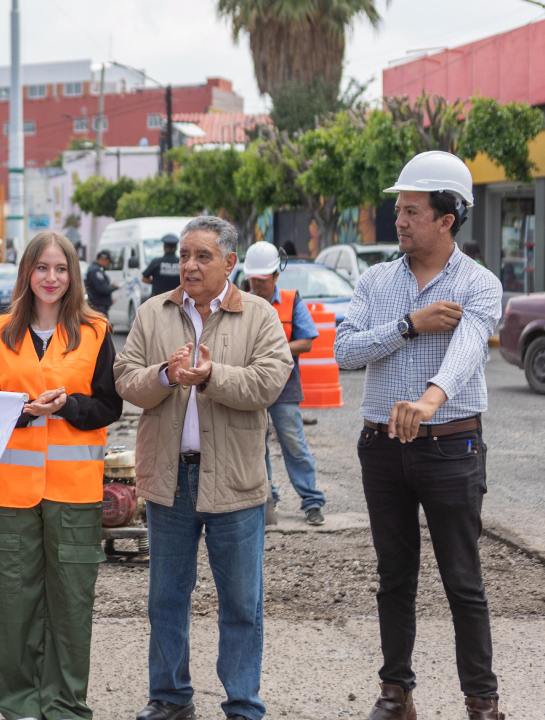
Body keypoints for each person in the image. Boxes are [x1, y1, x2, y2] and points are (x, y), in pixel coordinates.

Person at [334, 152, 505, 720]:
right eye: (398, 209)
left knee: (463, 579)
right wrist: (410, 325)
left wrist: (429, 399)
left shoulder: (480, 283)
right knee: (394, 576)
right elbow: (344, 351)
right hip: (382, 449)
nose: (399, 221)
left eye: (410, 211)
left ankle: (482, 702)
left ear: (446, 218)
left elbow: (468, 347)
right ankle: (395, 693)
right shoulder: (376, 280)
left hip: (451, 446)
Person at [114, 216, 292, 720]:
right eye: (185, 256)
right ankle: (170, 698)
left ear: (230, 263)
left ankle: (242, 704)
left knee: (240, 603)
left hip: (234, 481)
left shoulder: (258, 315)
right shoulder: (153, 312)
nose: (188, 265)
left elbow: (269, 381)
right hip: (170, 480)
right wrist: (165, 374)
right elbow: (126, 379)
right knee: (166, 598)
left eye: (202, 257)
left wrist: (212, 373)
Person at [0, 232, 122, 720]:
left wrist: (70, 406)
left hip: (75, 491)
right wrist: (23, 410)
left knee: (71, 601)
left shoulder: (96, 330)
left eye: (61, 269)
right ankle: (19, 705)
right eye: (42, 268)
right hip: (12, 493)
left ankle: (63, 704)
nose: (51, 278)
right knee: (15, 600)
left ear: (73, 275)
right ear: (27, 273)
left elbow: (109, 403)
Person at [242, 241, 328, 526]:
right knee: (256, 444)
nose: (257, 285)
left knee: (293, 443)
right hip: (250, 385)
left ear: (276, 276)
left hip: (284, 385)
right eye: (253, 279)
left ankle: (312, 502)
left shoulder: (292, 300)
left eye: (262, 280)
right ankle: (267, 499)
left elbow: (306, 341)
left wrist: (273, 351)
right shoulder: (241, 300)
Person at [141, 234, 182, 298]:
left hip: (158, 299)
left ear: (164, 248)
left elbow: (144, 279)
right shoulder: (181, 262)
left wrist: (156, 283)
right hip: (177, 299)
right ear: (176, 248)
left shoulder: (156, 262)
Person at [84, 249, 119, 316]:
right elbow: (103, 289)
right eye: (108, 262)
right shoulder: (96, 271)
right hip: (98, 308)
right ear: (103, 259)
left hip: (98, 307)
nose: (109, 264)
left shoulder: (96, 269)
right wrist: (114, 287)